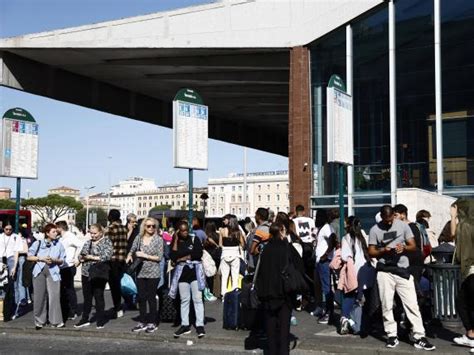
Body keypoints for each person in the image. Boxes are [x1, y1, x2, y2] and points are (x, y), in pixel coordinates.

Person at [368, 205, 435, 350]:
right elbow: (371, 251)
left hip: (402, 270)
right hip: (385, 270)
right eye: (385, 221)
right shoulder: (374, 229)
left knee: (411, 303)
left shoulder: (403, 226)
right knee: (386, 304)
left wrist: (403, 247)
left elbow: (414, 246)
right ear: (382, 217)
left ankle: (419, 335)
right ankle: (391, 335)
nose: (388, 223)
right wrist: (382, 250)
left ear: (393, 215)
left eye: (390, 219)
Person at [256, 222, 304, 355]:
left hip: (268, 293)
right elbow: (300, 266)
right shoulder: (287, 248)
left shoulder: (266, 249)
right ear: (282, 232)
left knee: (271, 329)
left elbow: (261, 272)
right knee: (284, 330)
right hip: (285, 293)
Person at [169, 221, 206, 339]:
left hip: (195, 273)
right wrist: (175, 239)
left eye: (186, 230)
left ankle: (199, 325)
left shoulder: (194, 239)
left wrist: (182, 258)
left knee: (197, 299)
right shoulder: (177, 241)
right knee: (184, 300)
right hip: (182, 275)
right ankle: (185, 324)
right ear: (178, 231)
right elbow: (173, 256)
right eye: (182, 230)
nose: (185, 233)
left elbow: (197, 254)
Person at [127, 217, 163, 333]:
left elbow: (159, 257)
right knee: (141, 297)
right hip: (140, 271)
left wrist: (144, 255)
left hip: (154, 272)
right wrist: (129, 256)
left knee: (151, 297)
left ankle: (152, 322)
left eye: (153, 226)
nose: (151, 228)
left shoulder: (158, 239)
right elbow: (132, 249)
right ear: (144, 227)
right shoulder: (139, 238)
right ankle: (142, 321)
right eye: (148, 226)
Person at [339, 216, 375, 335]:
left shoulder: (347, 238)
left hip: (353, 271)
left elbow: (345, 256)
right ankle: (360, 324)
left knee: (348, 296)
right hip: (366, 271)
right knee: (362, 299)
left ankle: (346, 319)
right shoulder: (363, 236)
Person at [27, 223, 66, 329]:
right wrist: (41, 258)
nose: (56, 233)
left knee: (54, 296)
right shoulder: (38, 243)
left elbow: (62, 260)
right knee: (39, 296)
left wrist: (54, 260)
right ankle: (40, 321)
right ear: (47, 233)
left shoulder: (59, 245)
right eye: (53, 231)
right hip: (39, 271)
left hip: (53, 271)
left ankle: (56, 321)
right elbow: (29, 257)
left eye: (56, 231)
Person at [75, 223, 113, 329]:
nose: (92, 235)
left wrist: (91, 257)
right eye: (91, 233)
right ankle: (85, 318)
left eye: (95, 233)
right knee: (87, 297)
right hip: (86, 272)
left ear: (101, 232)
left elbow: (107, 256)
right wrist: (82, 257)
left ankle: (100, 319)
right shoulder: (88, 242)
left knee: (98, 295)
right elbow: (81, 253)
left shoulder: (107, 241)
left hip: (99, 273)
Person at [451, 199, 474, 348]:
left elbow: (453, 235)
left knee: (463, 302)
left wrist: (453, 217)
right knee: (464, 302)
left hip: (471, 268)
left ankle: (471, 335)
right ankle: (471, 334)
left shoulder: (465, 225)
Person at [56, 221, 84, 322]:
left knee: (69, 289)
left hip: (69, 265)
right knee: (63, 290)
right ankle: (67, 310)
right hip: (61, 266)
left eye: (56, 228)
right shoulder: (61, 238)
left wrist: (77, 258)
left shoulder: (70, 236)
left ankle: (73, 310)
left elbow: (81, 245)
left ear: (60, 228)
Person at [314, 209, 336, 324]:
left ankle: (329, 312)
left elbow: (333, 240)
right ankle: (325, 310)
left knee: (326, 288)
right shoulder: (322, 228)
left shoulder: (327, 227)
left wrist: (326, 255)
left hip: (324, 262)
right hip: (320, 261)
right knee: (321, 287)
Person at [105, 209, 128, 318]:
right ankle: (120, 305)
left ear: (110, 217)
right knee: (118, 283)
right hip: (121, 259)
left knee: (113, 285)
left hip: (112, 260)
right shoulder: (124, 228)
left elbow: (108, 245)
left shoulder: (111, 229)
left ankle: (117, 307)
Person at [0, 223, 25, 321]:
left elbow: (16, 252)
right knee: (2, 285)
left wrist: (14, 266)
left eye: (10, 229)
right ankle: (3, 311)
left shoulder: (15, 237)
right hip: (1, 259)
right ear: (3, 229)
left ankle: (14, 310)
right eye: (6, 229)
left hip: (11, 259)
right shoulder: (1, 236)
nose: (8, 231)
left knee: (13, 285)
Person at [219, 216, 245, 298]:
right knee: (235, 276)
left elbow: (220, 244)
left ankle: (224, 295)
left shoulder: (222, 231)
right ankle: (235, 295)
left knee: (224, 276)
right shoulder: (238, 232)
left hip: (225, 254)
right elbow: (243, 245)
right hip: (235, 254)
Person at [203, 221, 220, 301]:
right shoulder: (217, 235)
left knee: (207, 274)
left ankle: (208, 290)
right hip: (216, 255)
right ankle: (214, 290)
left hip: (208, 256)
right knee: (214, 273)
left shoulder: (206, 235)